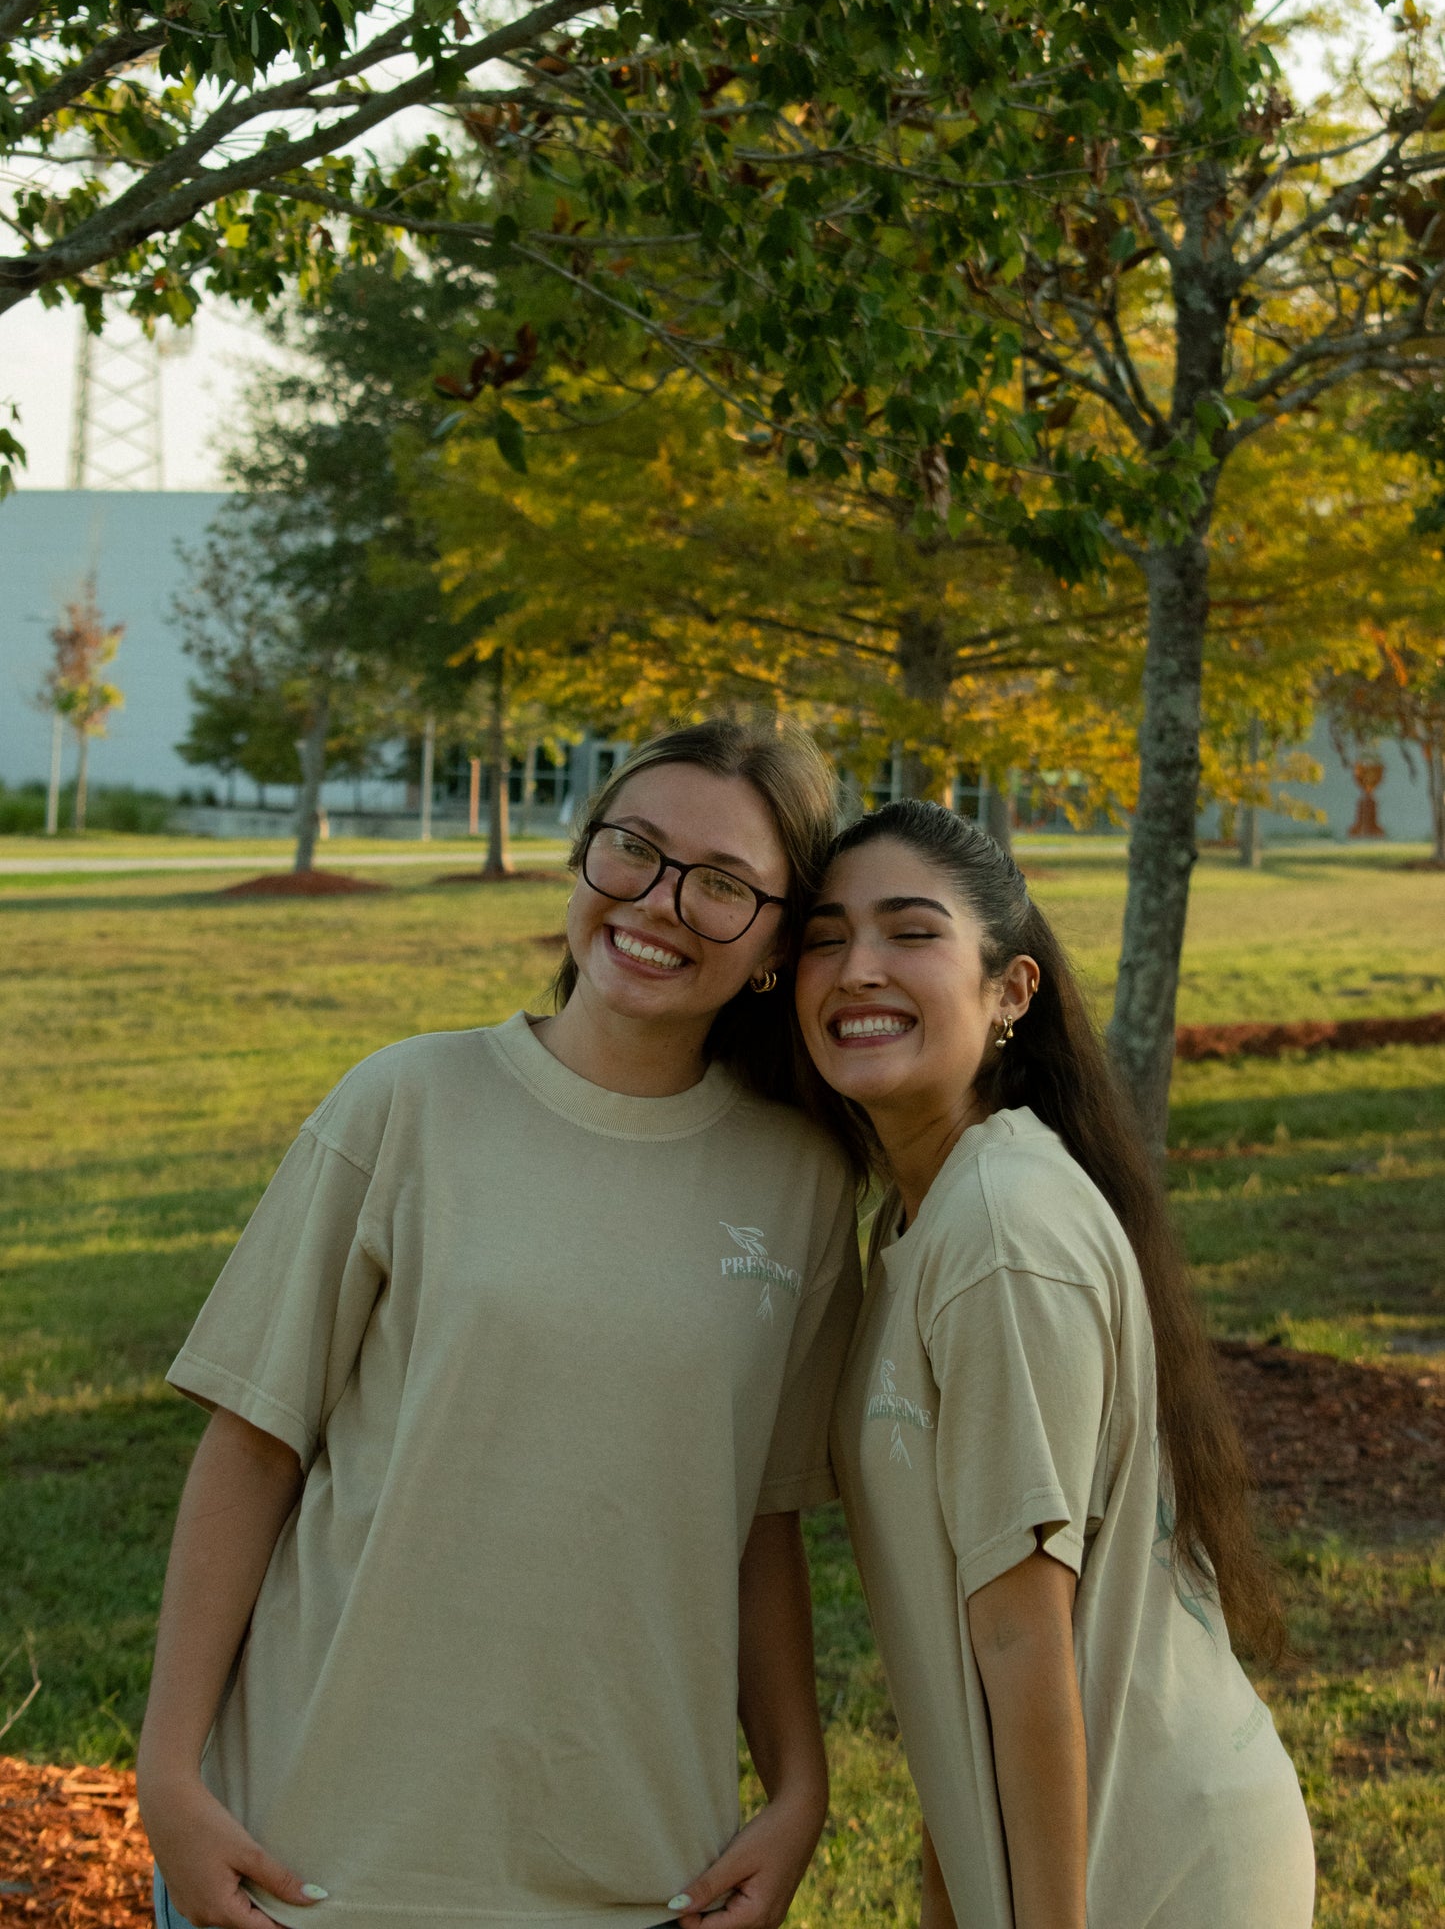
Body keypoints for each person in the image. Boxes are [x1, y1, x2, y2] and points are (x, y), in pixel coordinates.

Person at [138, 720, 863, 1929]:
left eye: (724, 885)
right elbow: (251, 1446)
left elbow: (754, 1515)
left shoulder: (800, 1182)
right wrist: (166, 1773)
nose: (660, 901)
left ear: (778, 948)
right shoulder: (403, 1103)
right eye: (631, 848)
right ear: (580, 860)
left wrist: (799, 1784)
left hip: (635, 1873)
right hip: (309, 1862)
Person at [793, 798, 1314, 1929]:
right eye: (825, 935)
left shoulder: (997, 1232)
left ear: (1010, 990)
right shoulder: (922, 1221)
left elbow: (1022, 1632)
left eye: (909, 931)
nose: (856, 968)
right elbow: (961, 1631)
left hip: (1151, 1863)